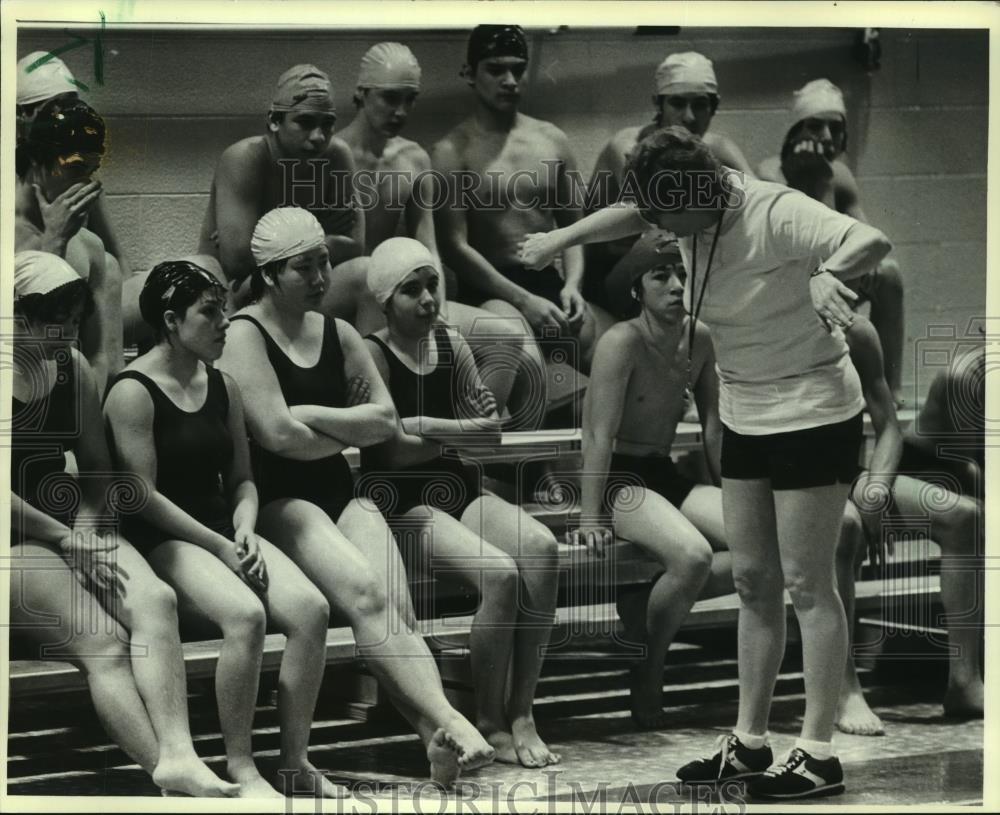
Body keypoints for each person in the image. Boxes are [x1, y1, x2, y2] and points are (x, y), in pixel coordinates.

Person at [520, 126, 892, 799]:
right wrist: (557, 241)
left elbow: (873, 241)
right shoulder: (684, 206)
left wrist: (830, 276)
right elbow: (636, 208)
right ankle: (750, 741)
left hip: (813, 408)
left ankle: (817, 752)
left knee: (808, 583)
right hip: (750, 407)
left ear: (701, 192)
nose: (659, 231)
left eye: (668, 217)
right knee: (753, 580)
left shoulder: (776, 211)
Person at [216, 207, 495, 786]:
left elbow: (385, 423)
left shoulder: (338, 332)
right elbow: (276, 438)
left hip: (340, 492)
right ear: (270, 275)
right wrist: (342, 425)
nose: (322, 278)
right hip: (277, 502)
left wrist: (312, 416)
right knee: (365, 591)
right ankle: (451, 717)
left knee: (398, 607)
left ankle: (433, 740)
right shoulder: (243, 333)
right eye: (305, 267)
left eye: (325, 263)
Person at [103, 261, 344, 798]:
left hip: (223, 530)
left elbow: (241, 479)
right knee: (245, 615)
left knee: (311, 610)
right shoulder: (132, 391)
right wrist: (219, 544)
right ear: (171, 320)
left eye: (225, 312)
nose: (224, 324)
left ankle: (295, 761)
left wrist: (245, 528)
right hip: (163, 539)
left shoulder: (223, 386)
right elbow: (141, 497)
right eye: (210, 313)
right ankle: (242, 766)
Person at [9, 251, 239, 799]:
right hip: (17, 538)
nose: (65, 333)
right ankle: (166, 773)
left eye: (72, 320)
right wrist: (66, 538)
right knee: (105, 644)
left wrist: (88, 527)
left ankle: (181, 754)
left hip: (71, 526)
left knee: (155, 601)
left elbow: (97, 470)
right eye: (52, 320)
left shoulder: (74, 369)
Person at [360, 237, 561, 767]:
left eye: (432, 285)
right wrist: (460, 432)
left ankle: (522, 711)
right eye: (412, 290)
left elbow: (492, 436)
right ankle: (489, 720)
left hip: (459, 490)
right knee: (500, 574)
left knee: (541, 549)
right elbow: (394, 453)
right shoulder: (372, 354)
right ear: (385, 299)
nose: (428, 299)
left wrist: (428, 425)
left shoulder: (451, 342)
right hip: (401, 504)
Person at [576, 240, 734, 728]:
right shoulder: (620, 341)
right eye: (660, 276)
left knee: (760, 546)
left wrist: (731, 492)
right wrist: (589, 515)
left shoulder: (700, 337)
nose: (676, 286)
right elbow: (598, 433)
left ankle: (644, 607)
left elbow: (713, 426)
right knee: (692, 556)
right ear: (636, 290)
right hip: (621, 480)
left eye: (680, 274)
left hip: (665, 472)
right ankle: (649, 667)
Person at [338, 42, 535, 419]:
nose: (401, 111)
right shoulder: (332, 156)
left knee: (505, 337)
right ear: (361, 95)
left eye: (409, 100)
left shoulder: (413, 158)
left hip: (404, 296)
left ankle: (466, 451)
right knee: (369, 279)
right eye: (389, 98)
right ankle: (390, 446)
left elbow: (428, 246)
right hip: (350, 293)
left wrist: (438, 306)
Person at [432, 24, 616, 380]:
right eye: (496, 69)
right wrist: (522, 300)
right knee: (517, 349)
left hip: (549, 283)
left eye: (518, 68)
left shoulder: (551, 141)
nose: (510, 80)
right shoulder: (451, 151)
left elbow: (573, 230)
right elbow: (453, 247)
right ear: (470, 73)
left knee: (610, 350)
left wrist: (572, 286)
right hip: (491, 289)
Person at [757, 79, 906, 407]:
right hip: (788, 291)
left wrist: (825, 178)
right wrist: (818, 183)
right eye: (815, 126)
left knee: (889, 274)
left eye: (834, 128)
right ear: (795, 131)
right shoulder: (770, 173)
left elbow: (866, 242)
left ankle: (889, 387)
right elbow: (800, 252)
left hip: (831, 278)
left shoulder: (839, 173)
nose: (825, 137)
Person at [585, 52, 755, 316]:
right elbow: (653, 221)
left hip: (668, 268)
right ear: (658, 104)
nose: (689, 117)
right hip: (611, 276)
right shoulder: (627, 147)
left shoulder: (720, 148)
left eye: (700, 105)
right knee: (667, 236)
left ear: (715, 106)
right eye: (678, 104)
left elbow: (757, 207)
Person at [196, 64, 366, 318]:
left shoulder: (337, 155)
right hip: (233, 293)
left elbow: (356, 246)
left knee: (366, 273)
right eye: (305, 123)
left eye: (327, 124)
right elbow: (237, 261)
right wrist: (323, 233)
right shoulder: (245, 159)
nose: (319, 136)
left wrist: (272, 247)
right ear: (275, 121)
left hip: (299, 283)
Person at [14, 98, 122, 392]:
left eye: (92, 170)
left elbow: (101, 358)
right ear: (36, 160)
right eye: (76, 168)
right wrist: (55, 244)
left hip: (65, 401)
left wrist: (84, 420)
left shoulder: (88, 247)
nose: (86, 184)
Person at [16, 52, 132, 279]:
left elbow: (117, 257)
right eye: (53, 110)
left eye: (71, 105)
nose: (64, 117)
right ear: (21, 117)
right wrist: (54, 238)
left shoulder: (79, 175)